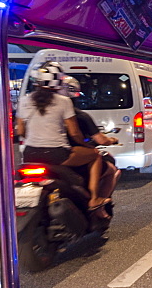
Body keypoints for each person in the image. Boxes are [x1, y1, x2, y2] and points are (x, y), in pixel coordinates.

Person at [14, 62, 106, 215]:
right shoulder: (64, 102)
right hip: (57, 155)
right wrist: (85, 145)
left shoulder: (24, 101)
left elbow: (21, 131)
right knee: (95, 156)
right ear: (59, 81)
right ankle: (94, 199)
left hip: (30, 154)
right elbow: (75, 133)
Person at [61, 77, 121, 203]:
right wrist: (110, 140)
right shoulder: (80, 116)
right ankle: (95, 202)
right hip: (66, 155)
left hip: (37, 155)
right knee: (105, 165)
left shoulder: (42, 111)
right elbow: (95, 138)